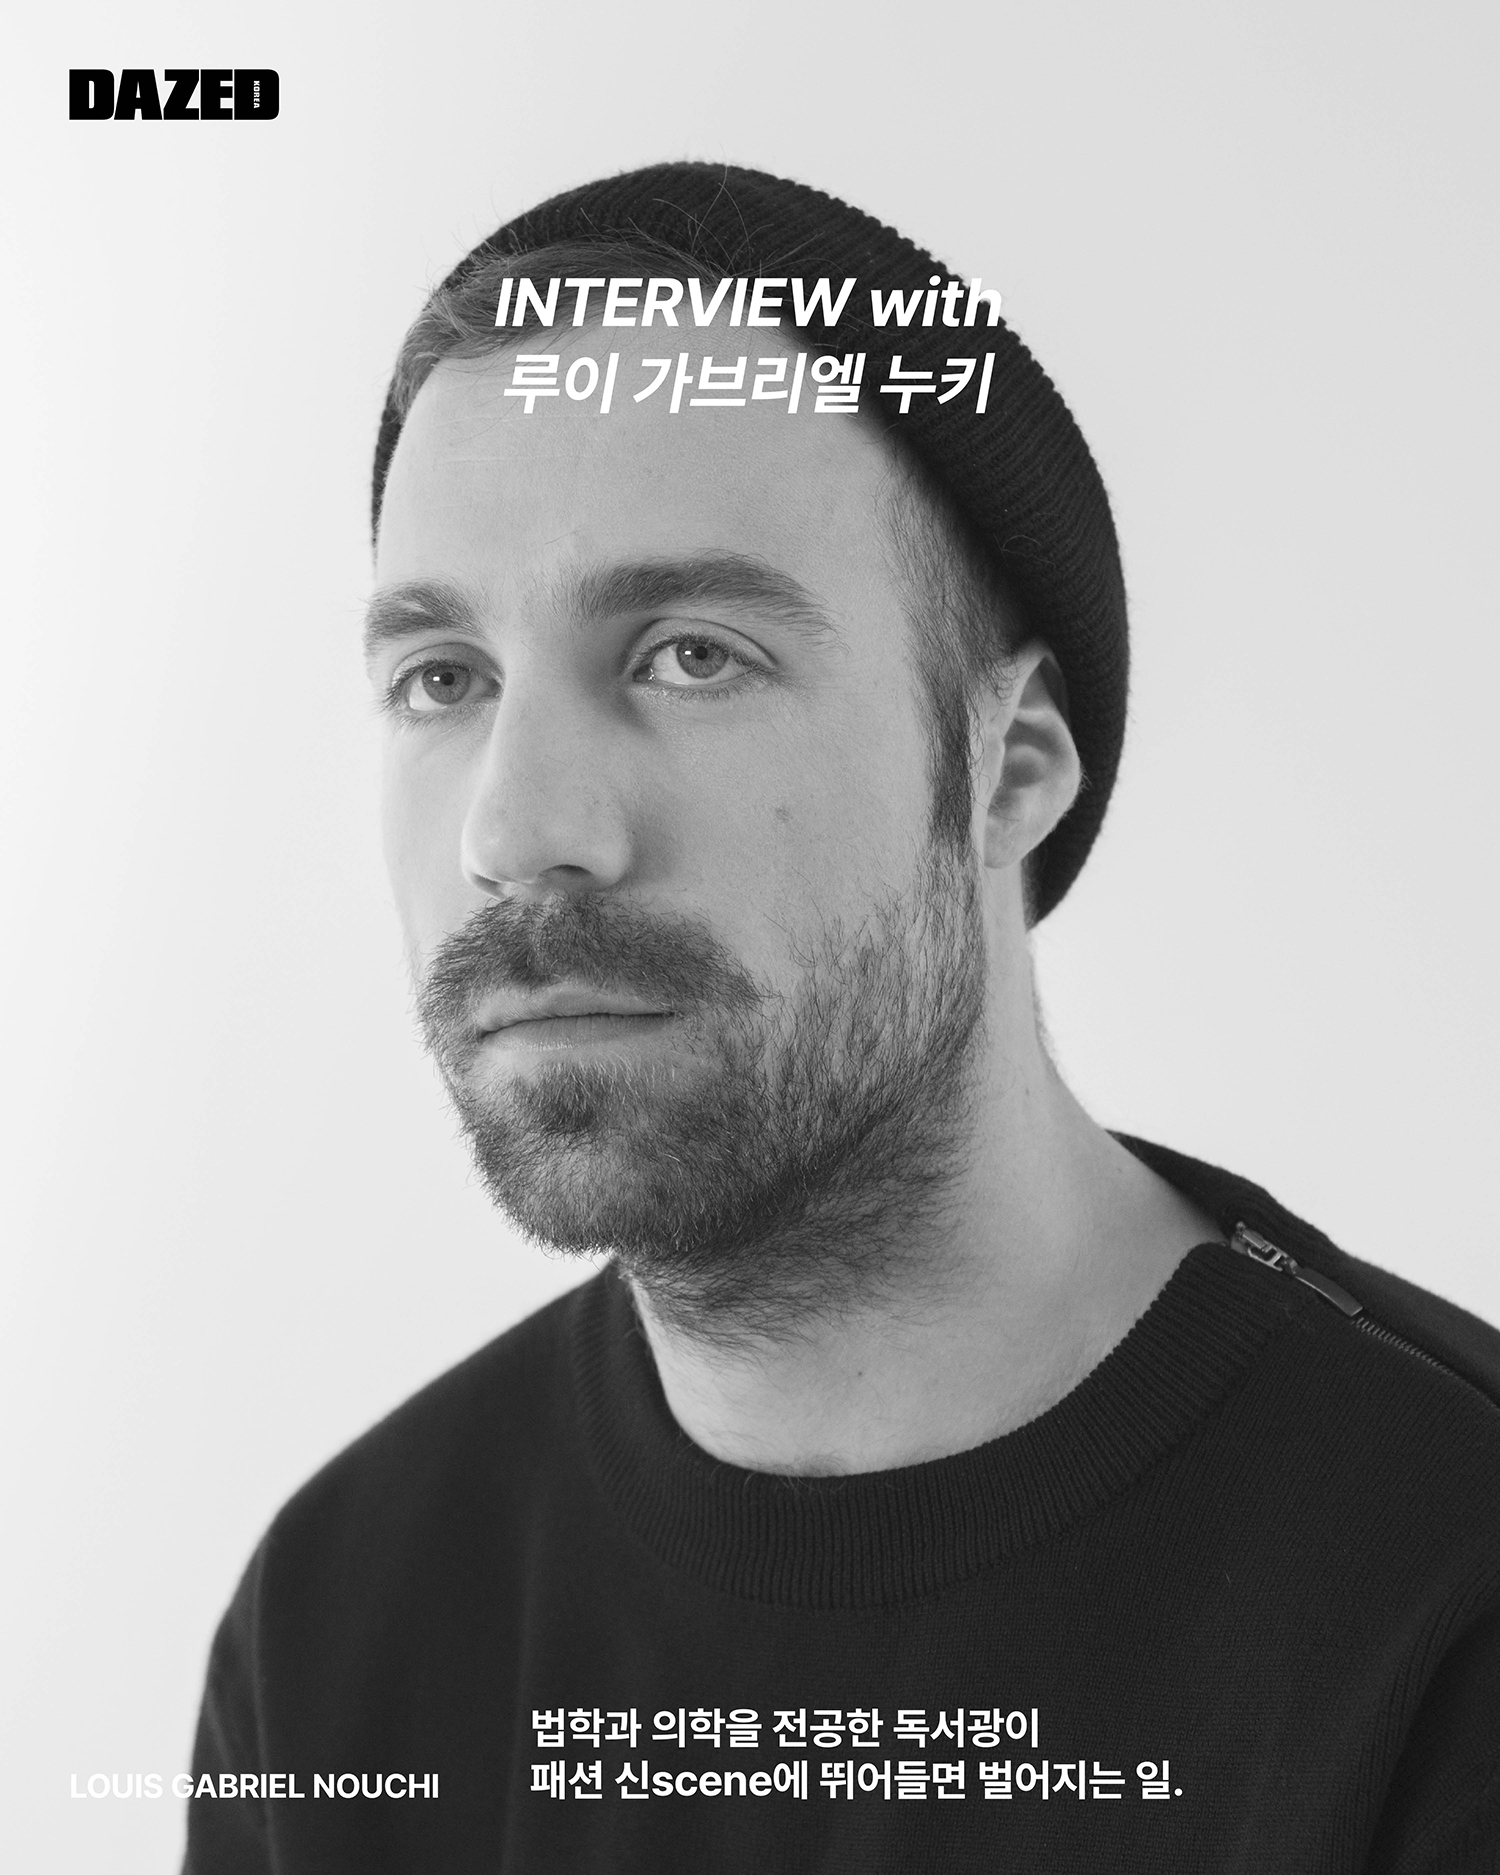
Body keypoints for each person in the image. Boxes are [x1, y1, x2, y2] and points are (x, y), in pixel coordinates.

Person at [182, 162, 1500, 1873]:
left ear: (1011, 765)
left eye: (691, 654)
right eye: (445, 679)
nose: (513, 830)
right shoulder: (342, 1627)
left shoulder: (1445, 1605)